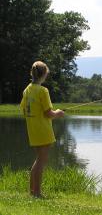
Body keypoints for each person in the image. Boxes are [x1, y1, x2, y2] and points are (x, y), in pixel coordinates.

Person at [20, 61, 64, 198]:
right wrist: (58, 113)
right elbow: (48, 114)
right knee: (41, 161)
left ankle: (32, 191)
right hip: (43, 130)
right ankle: (37, 193)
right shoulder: (43, 91)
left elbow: (23, 109)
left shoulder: (27, 89)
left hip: (33, 130)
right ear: (44, 74)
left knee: (38, 160)